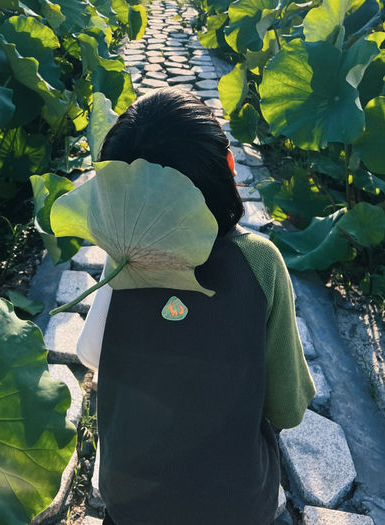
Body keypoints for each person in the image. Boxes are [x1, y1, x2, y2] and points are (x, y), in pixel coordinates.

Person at [77, 87, 315, 525]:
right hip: (237, 508)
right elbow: (287, 407)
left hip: (130, 503)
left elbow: (89, 354)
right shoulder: (260, 262)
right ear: (228, 165)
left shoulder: (121, 261)